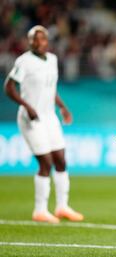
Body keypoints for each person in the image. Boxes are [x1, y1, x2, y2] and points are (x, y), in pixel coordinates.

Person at [4, 25, 84, 224]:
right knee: (46, 162)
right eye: (34, 39)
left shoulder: (52, 60)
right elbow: (9, 87)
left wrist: (62, 107)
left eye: (42, 39)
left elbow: (51, 88)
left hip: (49, 117)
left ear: (47, 41)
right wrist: (27, 106)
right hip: (30, 118)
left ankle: (62, 206)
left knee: (61, 160)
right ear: (29, 41)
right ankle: (40, 210)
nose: (39, 43)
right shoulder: (24, 61)